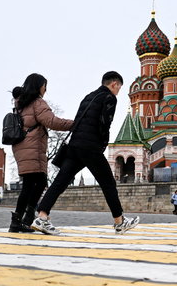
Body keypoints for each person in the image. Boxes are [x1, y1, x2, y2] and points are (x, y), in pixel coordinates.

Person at [32, 71, 139, 235]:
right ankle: (119, 221)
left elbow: (79, 120)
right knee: (108, 183)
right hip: (91, 146)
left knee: (61, 181)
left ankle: (42, 216)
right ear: (114, 84)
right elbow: (105, 123)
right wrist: (102, 144)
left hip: (75, 145)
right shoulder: (109, 98)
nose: (118, 91)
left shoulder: (88, 96)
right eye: (119, 88)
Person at [8, 73, 74, 233]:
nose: (46, 89)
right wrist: (76, 123)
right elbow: (52, 121)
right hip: (32, 148)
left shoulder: (21, 103)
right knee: (33, 184)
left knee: (35, 183)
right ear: (39, 86)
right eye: (44, 85)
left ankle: (23, 220)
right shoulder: (37, 103)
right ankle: (21, 221)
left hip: (21, 147)